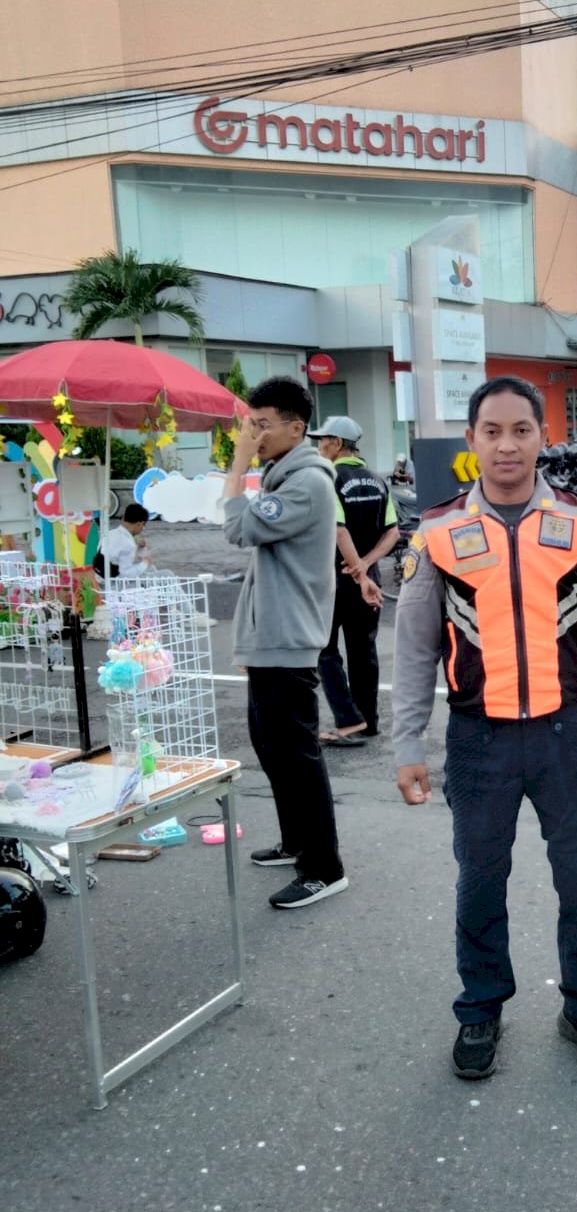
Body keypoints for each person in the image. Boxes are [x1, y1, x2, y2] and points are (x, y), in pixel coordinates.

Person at [392, 375, 577, 1081]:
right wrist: (408, 743)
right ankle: (480, 1011)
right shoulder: (437, 534)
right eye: (492, 431)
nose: (507, 444)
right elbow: (413, 651)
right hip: (478, 741)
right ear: (472, 441)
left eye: (521, 430)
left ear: (542, 437)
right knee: (480, 880)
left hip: (567, 735)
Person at [222, 376, 347, 911]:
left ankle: (325, 867)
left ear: (298, 428)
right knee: (271, 749)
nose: (254, 434)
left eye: (263, 424)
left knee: (296, 755)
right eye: (252, 424)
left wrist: (237, 465)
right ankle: (296, 842)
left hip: (288, 639)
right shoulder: (282, 477)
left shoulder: (308, 483)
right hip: (268, 639)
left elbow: (237, 529)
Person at [311, 415, 398, 748]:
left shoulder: (328, 478)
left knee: (325, 650)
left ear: (336, 444)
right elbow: (392, 531)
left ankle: (348, 721)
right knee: (364, 652)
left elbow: (338, 528)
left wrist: (356, 569)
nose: (319, 448)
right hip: (368, 580)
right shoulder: (378, 480)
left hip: (335, 579)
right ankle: (369, 721)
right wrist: (367, 564)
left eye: (322, 442)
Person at [94, 503, 150, 579]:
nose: (142, 529)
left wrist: (137, 547)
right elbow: (126, 574)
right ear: (140, 524)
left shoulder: (109, 534)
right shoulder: (128, 544)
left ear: (123, 517)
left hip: (96, 577)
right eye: (143, 526)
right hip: (111, 584)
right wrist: (145, 563)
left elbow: (114, 554)